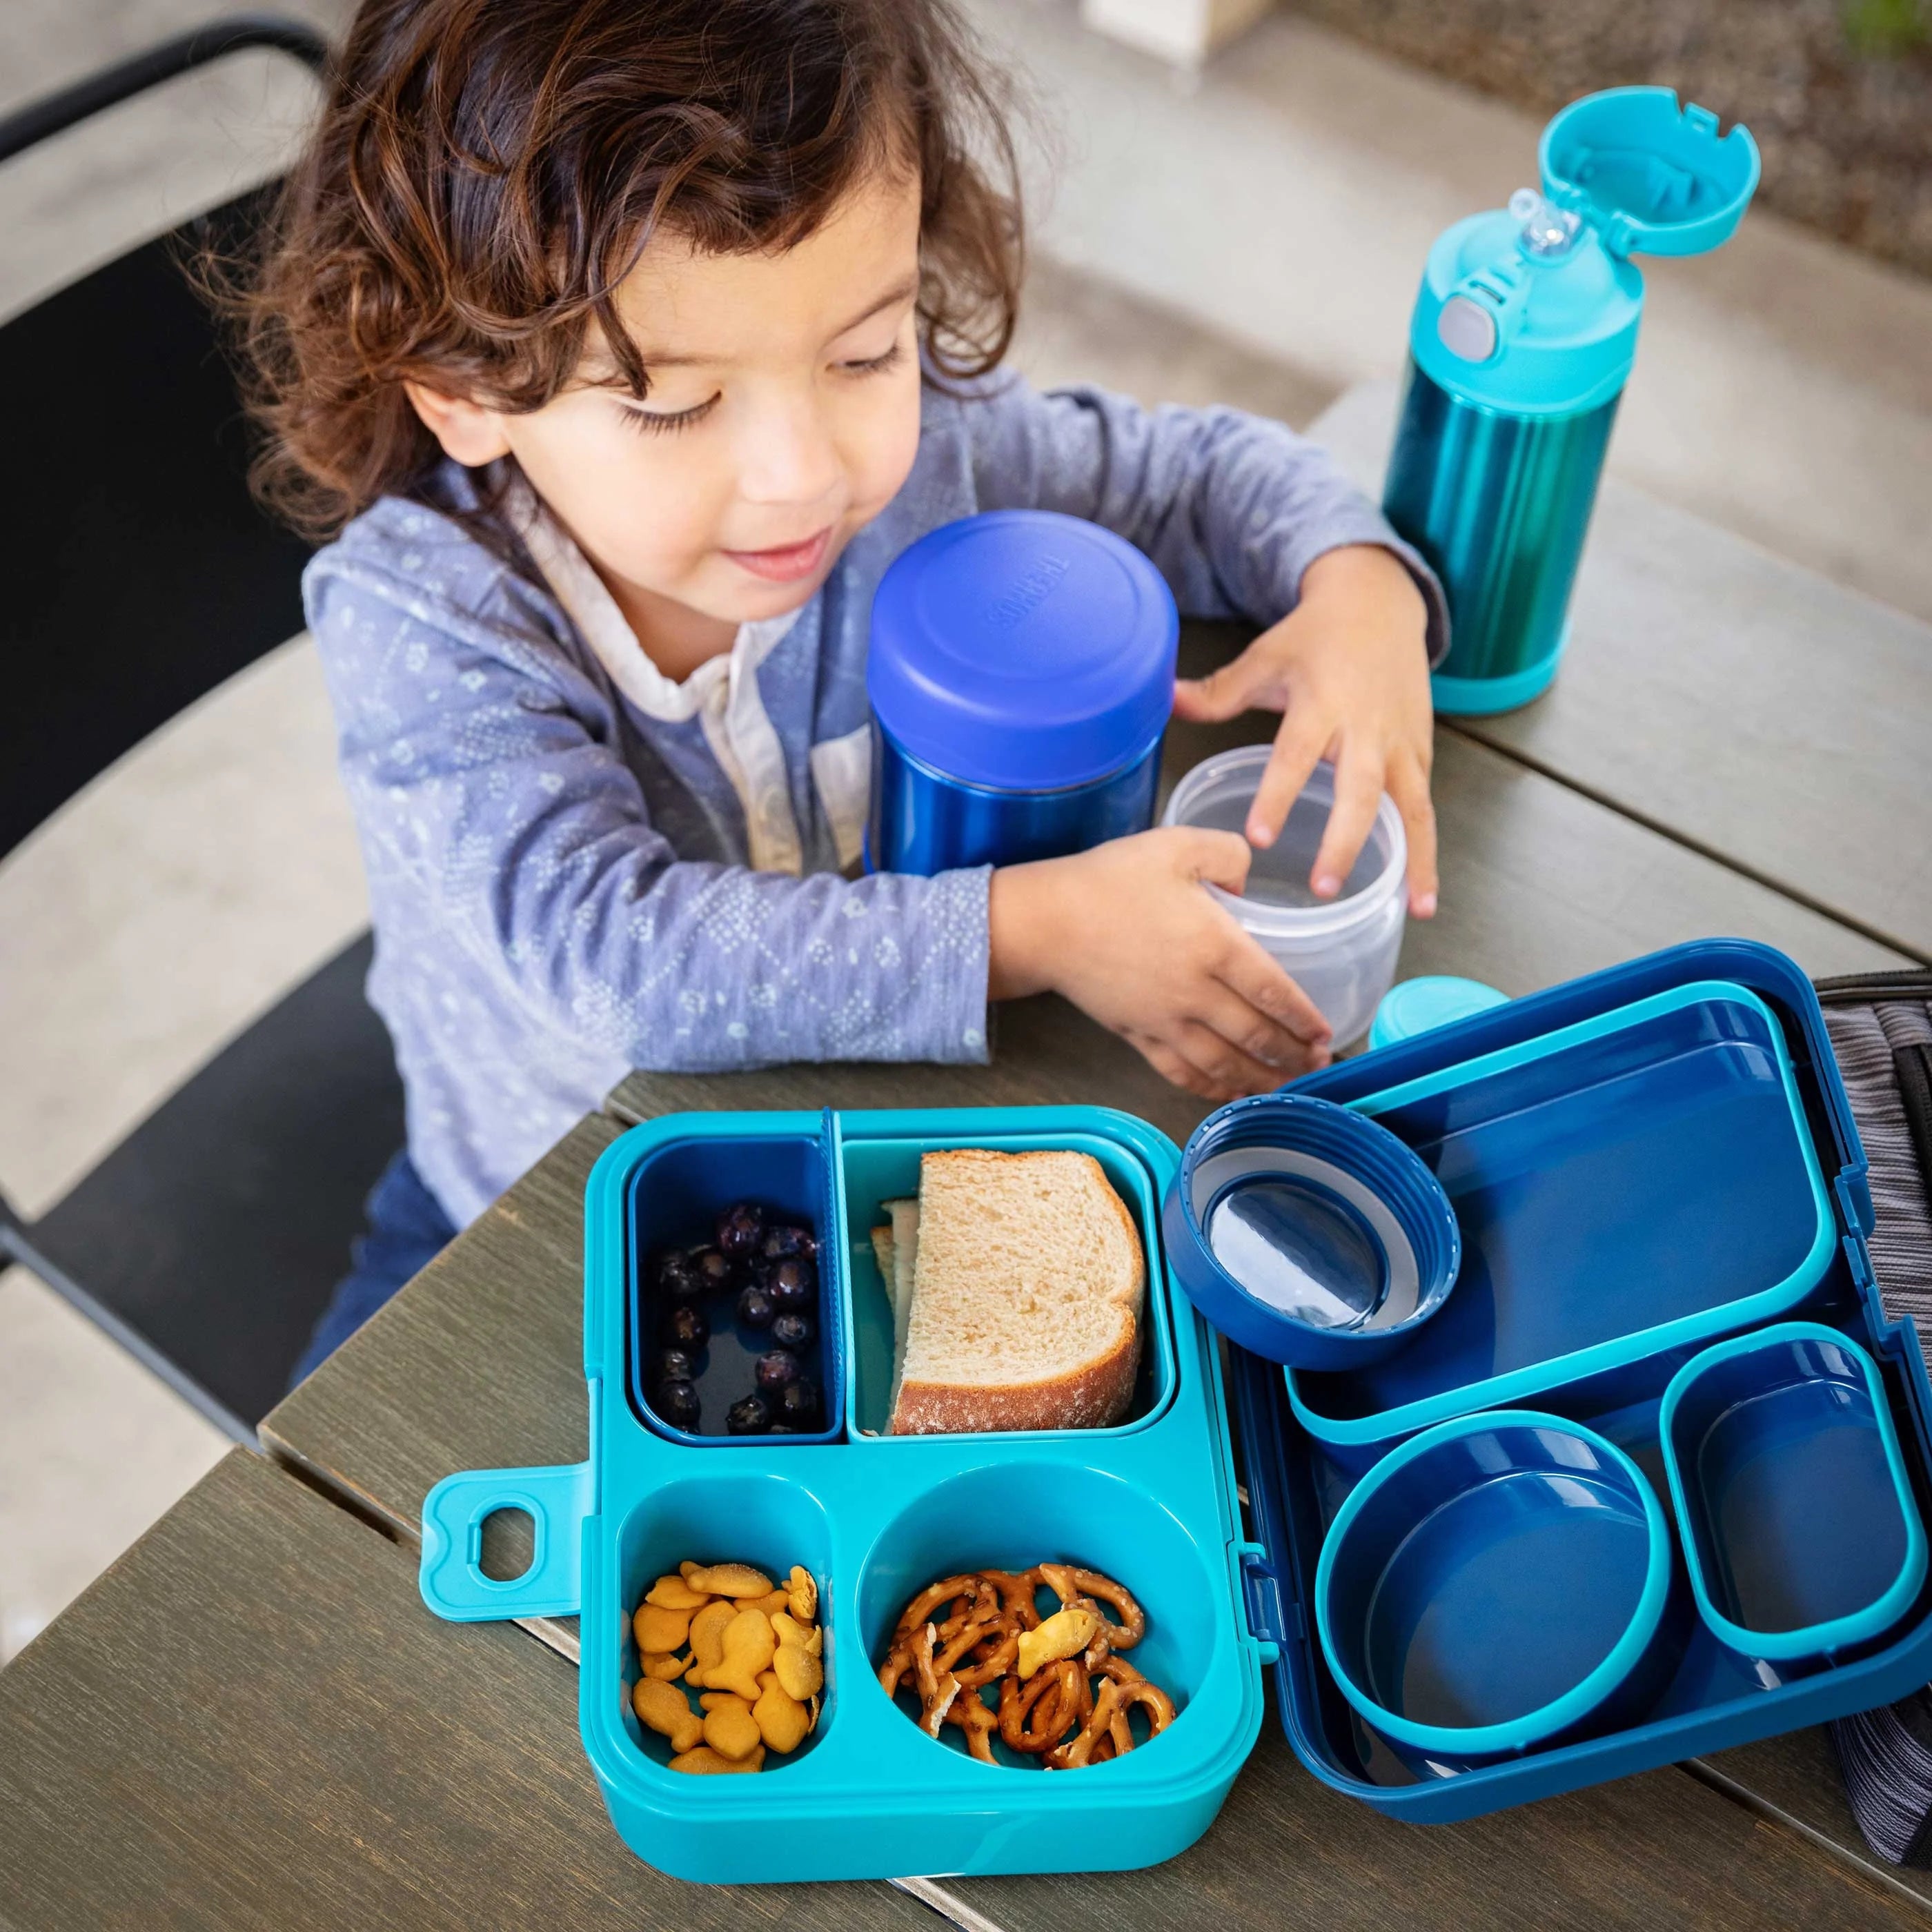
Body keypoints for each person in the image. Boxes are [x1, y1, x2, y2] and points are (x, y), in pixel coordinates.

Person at [235, 0, 1446, 1379]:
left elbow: (1195, 479)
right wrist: (1040, 926)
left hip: (878, 1162)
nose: (804, 471)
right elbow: (611, 961)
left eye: (864, 352)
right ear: (464, 389)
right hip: (533, 1219)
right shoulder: (424, 615)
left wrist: (1359, 588)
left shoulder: (936, 462)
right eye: (676, 404)